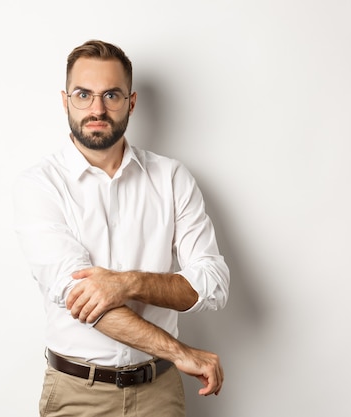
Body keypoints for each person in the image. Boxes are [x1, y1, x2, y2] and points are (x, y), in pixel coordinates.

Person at [12, 39, 230, 417]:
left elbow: (212, 283)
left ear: (131, 102)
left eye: (111, 95)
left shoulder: (172, 178)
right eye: (84, 94)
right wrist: (180, 352)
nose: (97, 109)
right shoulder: (40, 185)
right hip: (77, 394)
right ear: (65, 101)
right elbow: (82, 299)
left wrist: (126, 283)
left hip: (159, 394)